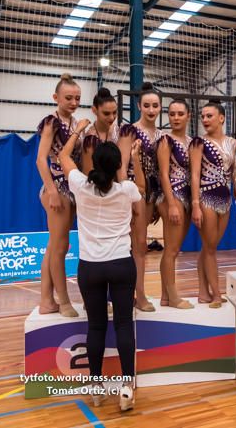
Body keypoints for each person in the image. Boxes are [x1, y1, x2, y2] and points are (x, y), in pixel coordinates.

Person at [58, 119, 143, 411]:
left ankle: (95, 388)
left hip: (90, 266)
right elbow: (140, 193)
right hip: (121, 263)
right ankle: (127, 388)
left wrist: (79, 130)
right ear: (118, 165)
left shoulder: (80, 185)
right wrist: (136, 160)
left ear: (93, 163)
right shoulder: (126, 190)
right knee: (122, 324)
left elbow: (62, 158)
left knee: (96, 326)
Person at [190, 103, 236, 308]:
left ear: (221, 118)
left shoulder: (232, 143)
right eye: (203, 116)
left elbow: (235, 174)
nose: (205, 120)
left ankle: (202, 292)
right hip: (206, 196)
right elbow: (195, 174)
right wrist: (195, 204)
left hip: (225, 200)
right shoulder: (198, 143)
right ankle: (215, 293)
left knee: (209, 247)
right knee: (211, 248)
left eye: (209, 116)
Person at [36, 73, 82, 317]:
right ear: (56, 97)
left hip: (71, 187)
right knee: (60, 247)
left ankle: (46, 301)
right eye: (68, 98)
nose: (73, 102)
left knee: (53, 246)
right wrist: (52, 190)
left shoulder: (75, 124)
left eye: (77, 98)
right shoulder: (51, 122)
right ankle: (63, 301)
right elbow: (40, 159)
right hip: (57, 187)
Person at [118, 82, 164, 312]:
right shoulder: (129, 130)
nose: (151, 110)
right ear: (139, 106)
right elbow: (122, 166)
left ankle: (139, 294)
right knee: (132, 246)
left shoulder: (162, 135)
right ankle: (136, 295)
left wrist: (156, 201)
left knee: (140, 247)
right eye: (147, 105)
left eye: (155, 105)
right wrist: (128, 195)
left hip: (151, 195)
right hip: (132, 194)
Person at [157, 99, 194, 309]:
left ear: (188, 115)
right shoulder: (165, 140)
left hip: (187, 195)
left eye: (180, 113)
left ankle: (164, 296)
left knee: (174, 248)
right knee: (171, 249)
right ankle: (173, 297)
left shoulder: (191, 141)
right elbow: (163, 173)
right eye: (172, 114)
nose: (176, 118)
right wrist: (171, 203)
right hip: (173, 195)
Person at [81, 88, 120, 175]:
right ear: (94, 110)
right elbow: (88, 173)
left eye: (114, 112)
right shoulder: (90, 138)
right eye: (106, 113)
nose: (112, 118)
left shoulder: (119, 132)